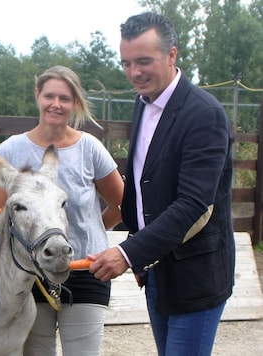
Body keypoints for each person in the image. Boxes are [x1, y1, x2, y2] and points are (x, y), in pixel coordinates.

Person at [87, 12, 235, 356]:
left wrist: (127, 253)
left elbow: (192, 204)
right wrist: (141, 252)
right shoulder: (143, 105)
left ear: (172, 55)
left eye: (143, 61)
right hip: (157, 269)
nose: (134, 73)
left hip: (196, 274)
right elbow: (143, 185)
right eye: (126, 63)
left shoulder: (205, 115)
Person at [0, 65, 124, 355]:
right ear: (37, 95)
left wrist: (93, 230)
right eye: (50, 95)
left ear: (75, 103)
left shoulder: (90, 148)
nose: (56, 104)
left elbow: (123, 204)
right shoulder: (11, 151)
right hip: (30, 274)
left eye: (65, 98)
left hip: (86, 269)